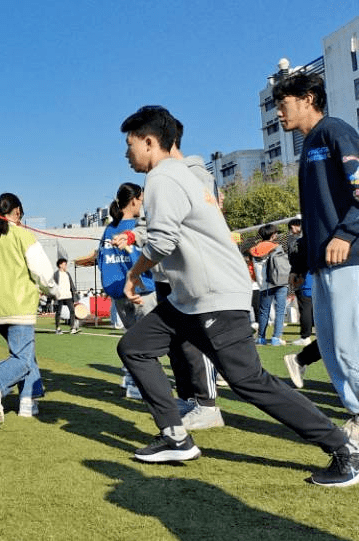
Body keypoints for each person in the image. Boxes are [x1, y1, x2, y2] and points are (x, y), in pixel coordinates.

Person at [116, 105, 357, 486]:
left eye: (129, 145)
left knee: (249, 381)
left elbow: (162, 241)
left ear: (149, 142)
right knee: (134, 347)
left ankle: (342, 449)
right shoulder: (181, 175)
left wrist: (133, 275)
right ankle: (175, 436)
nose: (127, 154)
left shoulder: (164, 177)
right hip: (189, 299)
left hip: (214, 295)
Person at [274, 72, 359, 447]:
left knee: (346, 344)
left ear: (308, 98)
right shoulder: (309, 144)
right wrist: (300, 265)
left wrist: (346, 233)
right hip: (323, 262)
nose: (279, 112)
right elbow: (314, 213)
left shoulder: (334, 131)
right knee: (327, 344)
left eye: (283, 103)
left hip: (349, 257)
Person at [0, 193, 55, 425]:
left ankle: (29, 401)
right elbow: (42, 271)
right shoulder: (23, 235)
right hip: (19, 306)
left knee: (24, 353)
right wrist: (54, 290)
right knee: (23, 360)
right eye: (21, 216)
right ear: (16, 212)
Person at [249, 223, 291, 346]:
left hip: (264, 284)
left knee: (263, 311)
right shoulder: (277, 247)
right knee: (279, 310)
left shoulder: (254, 250)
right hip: (279, 281)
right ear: (273, 235)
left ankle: (261, 338)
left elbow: (252, 270)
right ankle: (276, 338)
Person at [52, 258, 78, 334]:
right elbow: (53, 285)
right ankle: (58, 328)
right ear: (60, 265)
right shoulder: (56, 274)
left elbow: (71, 285)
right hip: (59, 296)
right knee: (58, 312)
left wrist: (74, 294)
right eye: (64, 264)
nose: (66, 266)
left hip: (68, 295)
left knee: (72, 311)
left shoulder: (67, 274)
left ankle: (72, 327)